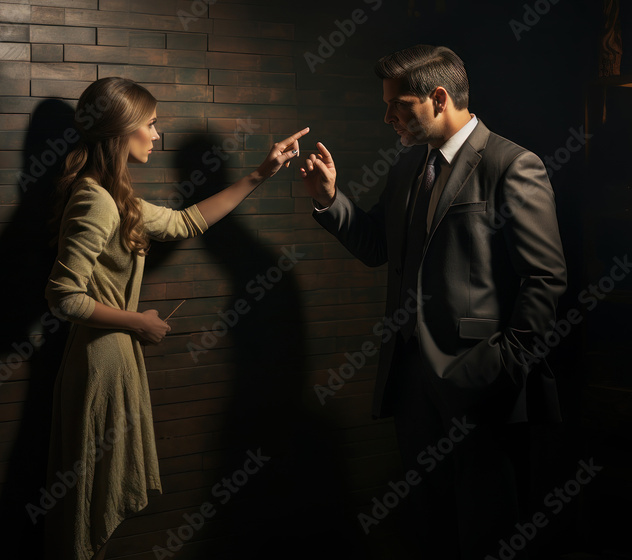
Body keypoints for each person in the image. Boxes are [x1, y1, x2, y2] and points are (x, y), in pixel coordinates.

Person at [301, 45, 567, 558]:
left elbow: (545, 278)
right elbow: (380, 247)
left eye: (397, 105)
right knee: (429, 529)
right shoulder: (407, 169)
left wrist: (502, 365)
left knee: (490, 528)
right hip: (413, 386)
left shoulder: (513, 165)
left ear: (439, 97)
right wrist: (330, 200)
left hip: (483, 385)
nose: (387, 117)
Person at [42, 76, 308, 560]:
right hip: (101, 364)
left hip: (112, 361)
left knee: (94, 495)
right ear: (123, 131)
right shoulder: (94, 200)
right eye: (151, 124)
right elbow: (62, 297)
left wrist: (261, 174)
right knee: (90, 500)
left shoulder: (113, 196)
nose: (157, 135)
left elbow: (186, 222)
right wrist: (136, 322)